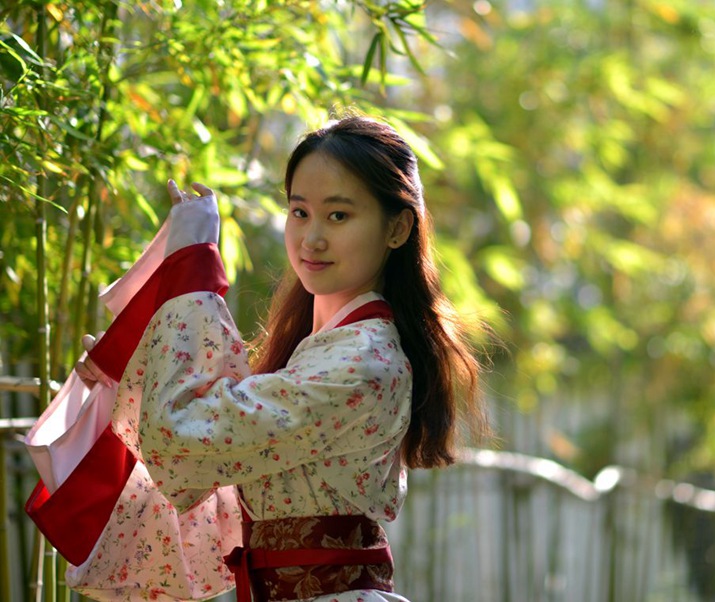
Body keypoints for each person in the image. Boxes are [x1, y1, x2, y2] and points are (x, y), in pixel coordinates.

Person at [74, 115, 489, 601]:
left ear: (397, 227)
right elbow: (207, 452)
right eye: (299, 212)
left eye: (338, 216)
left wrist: (193, 273)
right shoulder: (318, 352)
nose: (311, 238)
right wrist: (134, 382)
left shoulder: (364, 363)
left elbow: (186, 435)